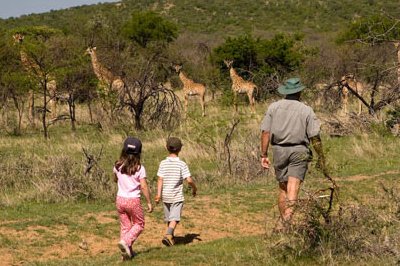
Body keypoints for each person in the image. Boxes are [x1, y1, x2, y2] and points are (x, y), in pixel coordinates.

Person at [260, 78, 326, 228]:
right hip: (299, 150)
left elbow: (265, 133)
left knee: (283, 188)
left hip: (279, 150)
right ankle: (287, 223)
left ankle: (284, 222)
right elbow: (314, 136)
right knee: (293, 186)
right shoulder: (306, 110)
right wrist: (321, 155)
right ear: (300, 91)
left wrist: (263, 155)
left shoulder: (273, 107)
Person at [113, 137, 153, 260]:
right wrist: (149, 202)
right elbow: (144, 186)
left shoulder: (118, 165)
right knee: (139, 224)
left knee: (125, 226)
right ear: (139, 152)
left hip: (120, 200)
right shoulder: (140, 168)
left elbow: (115, 179)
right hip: (133, 201)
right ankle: (126, 241)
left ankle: (126, 255)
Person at [154, 137, 197, 246]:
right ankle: (168, 235)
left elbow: (160, 179)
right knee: (175, 218)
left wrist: (158, 194)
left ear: (167, 148)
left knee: (169, 218)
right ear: (180, 149)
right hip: (176, 196)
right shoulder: (182, 164)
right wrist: (194, 188)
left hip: (165, 195)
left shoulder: (163, 163)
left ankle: (171, 239)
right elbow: (189, 180)